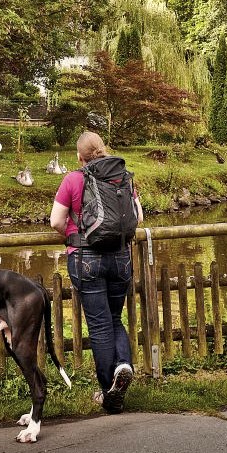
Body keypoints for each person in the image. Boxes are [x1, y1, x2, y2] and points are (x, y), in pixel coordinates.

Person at [50, 131, 142, 414]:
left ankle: (107, 393)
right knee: (115, 319)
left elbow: (56, 221)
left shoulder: (73, 179)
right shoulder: (124, 176)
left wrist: (74, 236)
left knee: (100, 326)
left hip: (86, 258)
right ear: (103, 149)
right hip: (120, 257)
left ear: (79, 156)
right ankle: (123, 366)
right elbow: (138, 218)